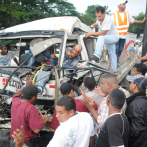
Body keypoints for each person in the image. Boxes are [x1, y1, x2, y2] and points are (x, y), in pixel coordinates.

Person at [10, 75, 50, 147]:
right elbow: (36, 130)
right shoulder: (31, 108)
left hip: (14, 141)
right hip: (25, 143)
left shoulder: (15, 101)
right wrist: (45, 119)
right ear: (34, 97)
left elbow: (16, 95)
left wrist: (26, 86)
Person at [86, 6, 119, 72]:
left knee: (101, 37)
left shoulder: (108, 19)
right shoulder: (99, 19)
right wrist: (91, 26)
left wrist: (91, 33)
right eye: (97, 16)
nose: (98, 18)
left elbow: (103, 33)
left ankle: (97, 55)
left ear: (104, 14)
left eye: (99, 16)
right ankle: (114, 70)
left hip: (114, 37)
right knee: (112, 53)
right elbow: (96, 23)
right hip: (108, 37)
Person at [125, 75, 147, 147]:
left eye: (131, 83)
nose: (130, 84)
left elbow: (136, 131)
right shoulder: (143, 100)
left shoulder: (135, 104)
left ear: (135, 86)